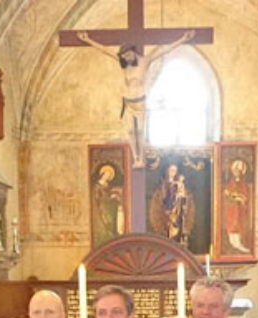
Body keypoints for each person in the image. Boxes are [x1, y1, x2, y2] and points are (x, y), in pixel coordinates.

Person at [76, 30, 194, 167]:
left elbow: (164, 50)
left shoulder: (145, 61)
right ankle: (135, 158)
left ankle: (141, 157)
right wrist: (88, 40)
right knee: (131, 132)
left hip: (140, 102)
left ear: (133, 51)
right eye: (124, 57)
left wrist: (182, 39)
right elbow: (105, 51)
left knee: (140, 131)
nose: (127, 58)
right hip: (128, 102)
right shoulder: (125, 66)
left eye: (128, 55)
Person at [149, 162, 195, 244]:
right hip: (166, 215)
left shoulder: (180, 186)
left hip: (177, 212)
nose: (172, 173)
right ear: (166, 171)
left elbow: (185, 202)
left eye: (174, 171)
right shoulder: (162, 189)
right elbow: (162, 200)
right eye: (171, 170)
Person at [222, 158, 252, 254]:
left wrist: (240, 198)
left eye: (238, 171)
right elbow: (227, 194)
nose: (236, 173)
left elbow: (245, 196)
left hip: (240, 209)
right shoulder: (229, 183)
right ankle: (233, 244)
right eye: (235, 170)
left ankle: (238, 244)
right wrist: (233, 197)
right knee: (232, 225)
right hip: (231, 209)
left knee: (239, 225)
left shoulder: (244, 184)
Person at [91, 163, 125, 247]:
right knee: (105, 222)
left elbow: (108, 195)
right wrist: (110, 198)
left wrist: (113, 197)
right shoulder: (97, 186)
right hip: (102, 208)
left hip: (109, 207)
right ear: (103, 174)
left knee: (112, 221)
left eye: (110, 175)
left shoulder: (107, 186)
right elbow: (99, 199)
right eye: (107, 174)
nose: (108, 176)